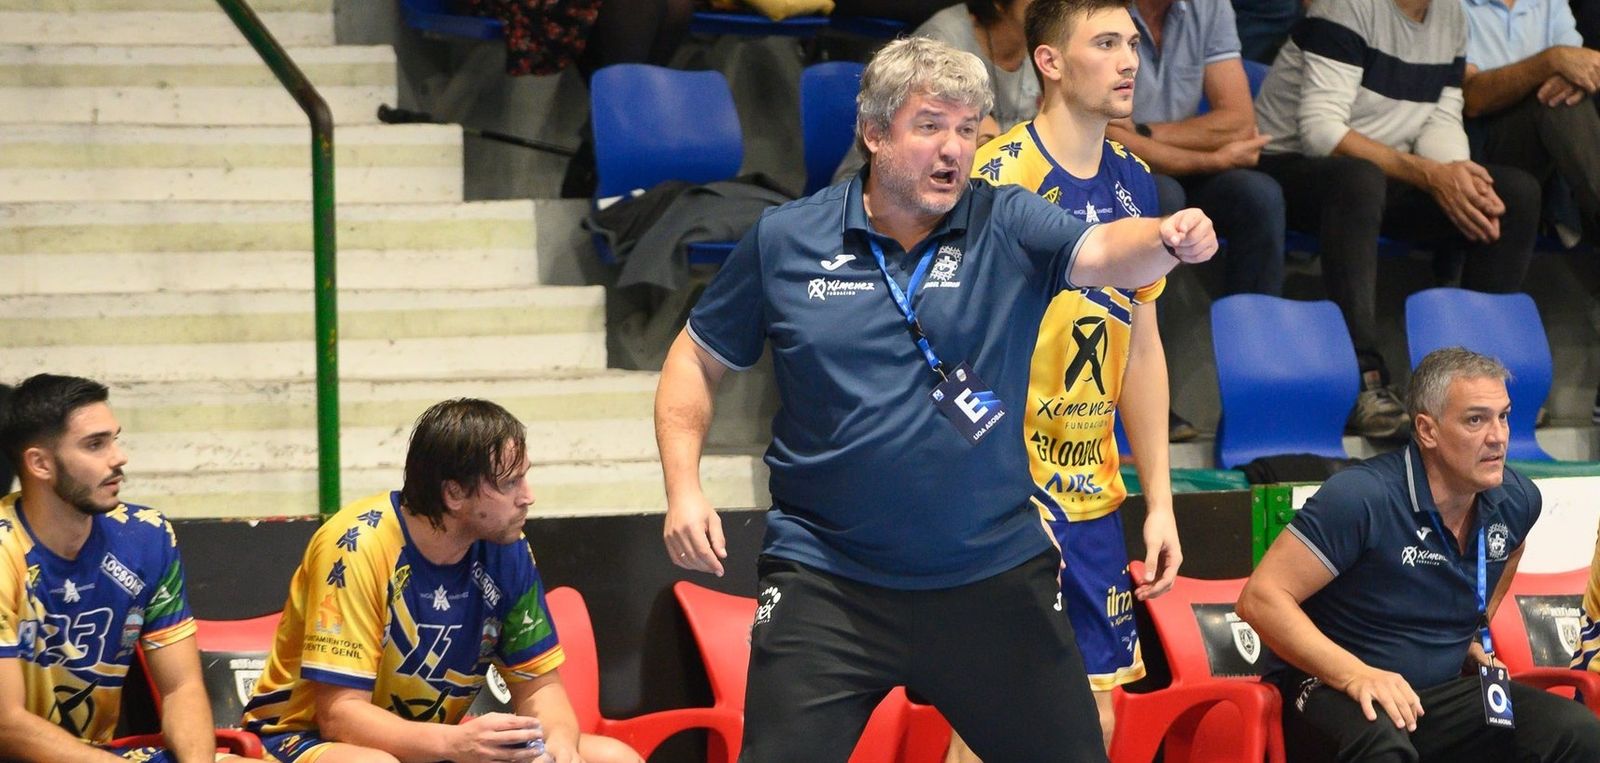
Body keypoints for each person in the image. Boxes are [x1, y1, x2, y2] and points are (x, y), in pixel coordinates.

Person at [656, 36, 1216, 762]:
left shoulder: (1006, 221)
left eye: (968, 129)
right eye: (930, 125)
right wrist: (682, 486)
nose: (953, 147)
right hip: (827, 583)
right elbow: (695, 358)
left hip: (991, 577)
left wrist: (1167, 238)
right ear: (875, 132)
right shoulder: (786, 240)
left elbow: (1105, 250)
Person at [968, 0, 1181, 752]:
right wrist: (996, 492)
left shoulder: (1137, 182)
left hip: (1093, 496)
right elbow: (953, 352)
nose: (1128, 60)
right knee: (999, 719)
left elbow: (1143, 351)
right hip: (1010, 496)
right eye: (1105, 43)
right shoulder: (998, 174)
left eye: (1132, 43)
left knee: (1095, 716)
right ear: (1049, 62)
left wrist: (1160, 500)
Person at [1237, 347, 1600, 762]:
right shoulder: (1362, 497)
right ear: (1427, 430)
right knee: (1384, 743)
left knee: (1576, 732)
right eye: (1475, 420)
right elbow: (1261, 599)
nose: (1498, 436)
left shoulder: (1517, 499)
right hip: (1330, 689)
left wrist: (1468, 630)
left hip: (1438, 694)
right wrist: (1356, 674)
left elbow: (1511, 548)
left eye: (1504, 415)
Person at [241, 398, 640, 763]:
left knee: (613, 758)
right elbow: (340, 717)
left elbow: (540, 689)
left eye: (525, 477)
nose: (528, 496)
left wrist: (558, 750)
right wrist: (455, 745)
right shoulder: (357, 546)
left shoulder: (508, 548)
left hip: (433, 744)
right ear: (454, 493)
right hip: (302, 740)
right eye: (509, 483)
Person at [1254, 0, 1540, 440]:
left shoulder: (1450, 17)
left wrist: (1456, 177)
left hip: (1385, 170)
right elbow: (1321, 131)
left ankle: (1476, 390)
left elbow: (1439, 118)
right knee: (1360, 180)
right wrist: (1429, 174)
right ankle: (1363, 380)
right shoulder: (1345, 9)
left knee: (1512, 194)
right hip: (1294, 167)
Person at [0, 374, 232, 762]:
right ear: (40, 463)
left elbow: (181, 688)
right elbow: (7, 723)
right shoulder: (5, 551)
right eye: (95, 445)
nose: (118, 457)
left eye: (114, 439)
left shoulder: (147, 535)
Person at [1101, 0, 1288, 301]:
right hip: (1116, 167)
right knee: (1162, 193)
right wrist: (1213, 159)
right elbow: (1111, 135)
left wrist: (1147, 132)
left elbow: (1239, 121)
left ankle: (1253, 336)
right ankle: (1144, 340)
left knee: (1259, 194)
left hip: (1178, 159)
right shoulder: (1101, 8)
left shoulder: (1210, 6)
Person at [1461, 0, 1600, 246]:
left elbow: (1579, 66)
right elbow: (1472, 99)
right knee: (1557, 105)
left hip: (1546, 149)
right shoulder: (1451, 5)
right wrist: (1550, 61)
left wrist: (1575, 74)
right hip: (1475, 146)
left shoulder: (1549, 2)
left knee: (1568, 98)